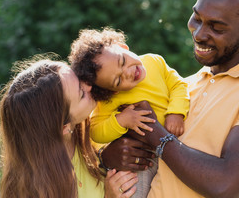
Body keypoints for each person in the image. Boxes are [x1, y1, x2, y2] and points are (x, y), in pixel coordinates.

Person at [100, 0, 239, 198]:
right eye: (197, 18)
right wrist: (111, 156)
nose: (200, 34)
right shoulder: (184, 86)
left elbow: (224, 185)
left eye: (217, 27)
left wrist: (155, 133)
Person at [0, 53, 138, 198]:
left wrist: (106, 156)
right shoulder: (37, 191)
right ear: (64, 128)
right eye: (81, 94)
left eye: (78, 77)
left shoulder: (92, 122)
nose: (89, 85)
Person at [68, 27, 190, 197]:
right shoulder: (110, 100)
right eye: (118, 80)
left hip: (177, 144)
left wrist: (176, 112)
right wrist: (120, 121)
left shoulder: (155, 62)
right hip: (142, 158)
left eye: (122, 61)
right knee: (130, 189)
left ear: (122, 47)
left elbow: (179, 85)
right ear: (113, 91)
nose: (128, 72)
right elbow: (96, 131)